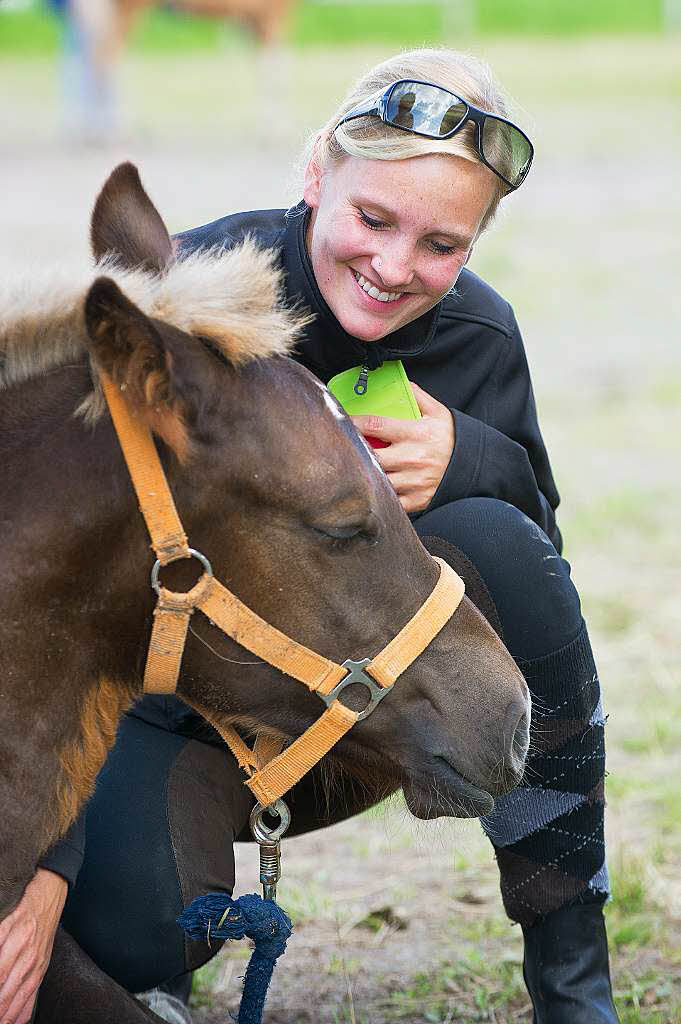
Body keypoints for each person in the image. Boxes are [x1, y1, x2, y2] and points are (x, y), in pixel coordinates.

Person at [0, 48, 619, 1024]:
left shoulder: (478, 342)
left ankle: (574, 976)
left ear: (475, 244)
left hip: (363, 720)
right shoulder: (203, 311)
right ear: (315, 173)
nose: (393, 264)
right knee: (124, 937)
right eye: (372, 218)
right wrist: (47, 864)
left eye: (442, 244)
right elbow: (70, 601)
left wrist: (474, 460)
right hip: (183, 715)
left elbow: (536, 587)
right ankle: (153, 958)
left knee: (497, 537)